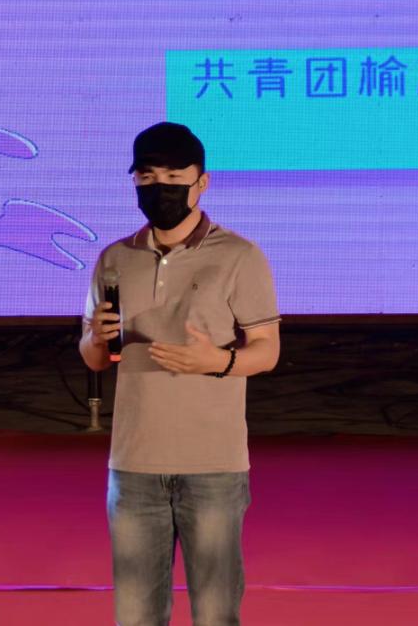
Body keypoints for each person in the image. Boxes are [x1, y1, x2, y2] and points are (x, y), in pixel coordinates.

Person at [79, 122, 281, 625]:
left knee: (215, 610)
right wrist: (97, 338)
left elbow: (267, 351)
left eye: (174, 177)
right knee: (136, 613)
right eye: (147, 177)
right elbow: (94, 357)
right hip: (134, 463)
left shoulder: (239, 256)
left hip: (213, 463)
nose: (159, 188)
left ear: (201, 181)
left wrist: (218, 362)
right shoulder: (114, 258)